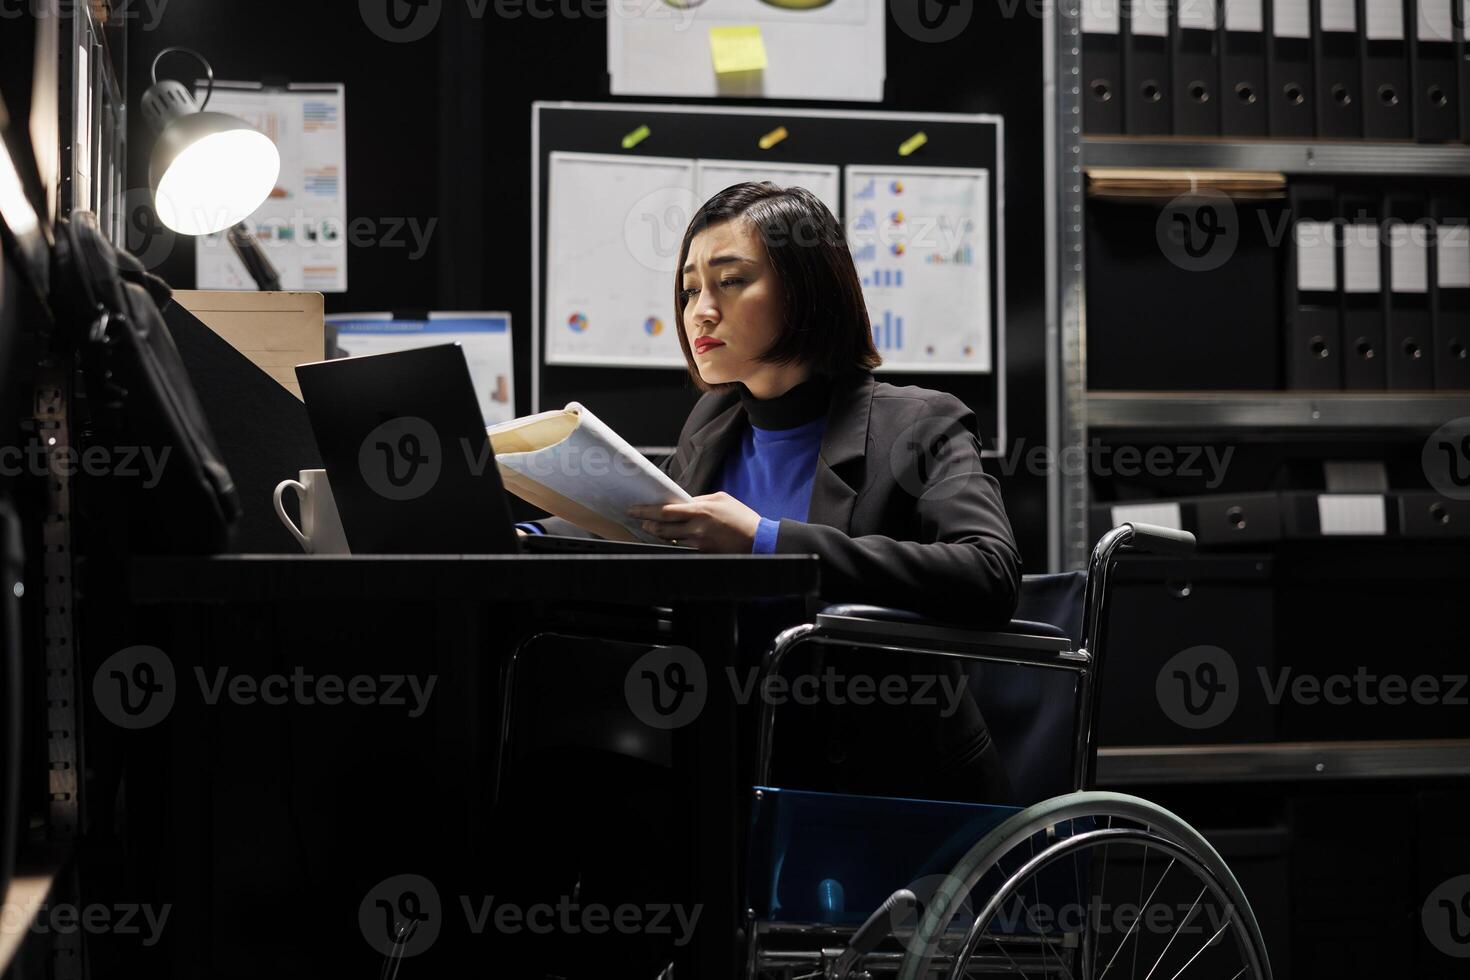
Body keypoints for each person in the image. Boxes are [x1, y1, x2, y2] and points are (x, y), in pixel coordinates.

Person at [521, 181, 1021, 630]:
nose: (701, 312)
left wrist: (764, 542)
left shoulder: (920, 422)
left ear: (807, 289)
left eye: (731, 281)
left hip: (863, 722)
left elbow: (990, 573)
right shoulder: (715, 422)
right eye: (689, 291)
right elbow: (647, 518)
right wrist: (521, 537)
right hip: (726, 715)